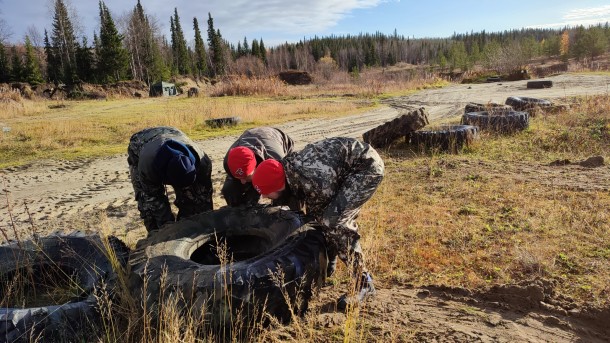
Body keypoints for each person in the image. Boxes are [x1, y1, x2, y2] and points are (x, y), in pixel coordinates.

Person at [251, 137, 384, 309]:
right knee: (324, 220)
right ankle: (330, 262)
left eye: (268, 194)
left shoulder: (313, 181)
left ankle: (363, 283)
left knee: (334, 223)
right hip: (344, 167)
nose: (266, 198)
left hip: (366, 168)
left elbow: (324, 217)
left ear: (279, 186)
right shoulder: (291, 170)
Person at [127, 126, 213, 232]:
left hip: (173, 133)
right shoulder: (148, 167)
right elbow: (154, 199)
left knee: (197, 203)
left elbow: (204, 197)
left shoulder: (202, 162)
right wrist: (167, 229)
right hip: (140, 143)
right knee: (149, 209)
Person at [222, 127, 294, 207]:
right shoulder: (229, 162)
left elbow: (288, 187)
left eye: (246, 177)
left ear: (256, 167)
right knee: (230, 191)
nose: (243, 182)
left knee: (282, 196)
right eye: (239, 177)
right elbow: (235, 183)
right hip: (251, 136)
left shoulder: (275, 162)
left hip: (275, 137)